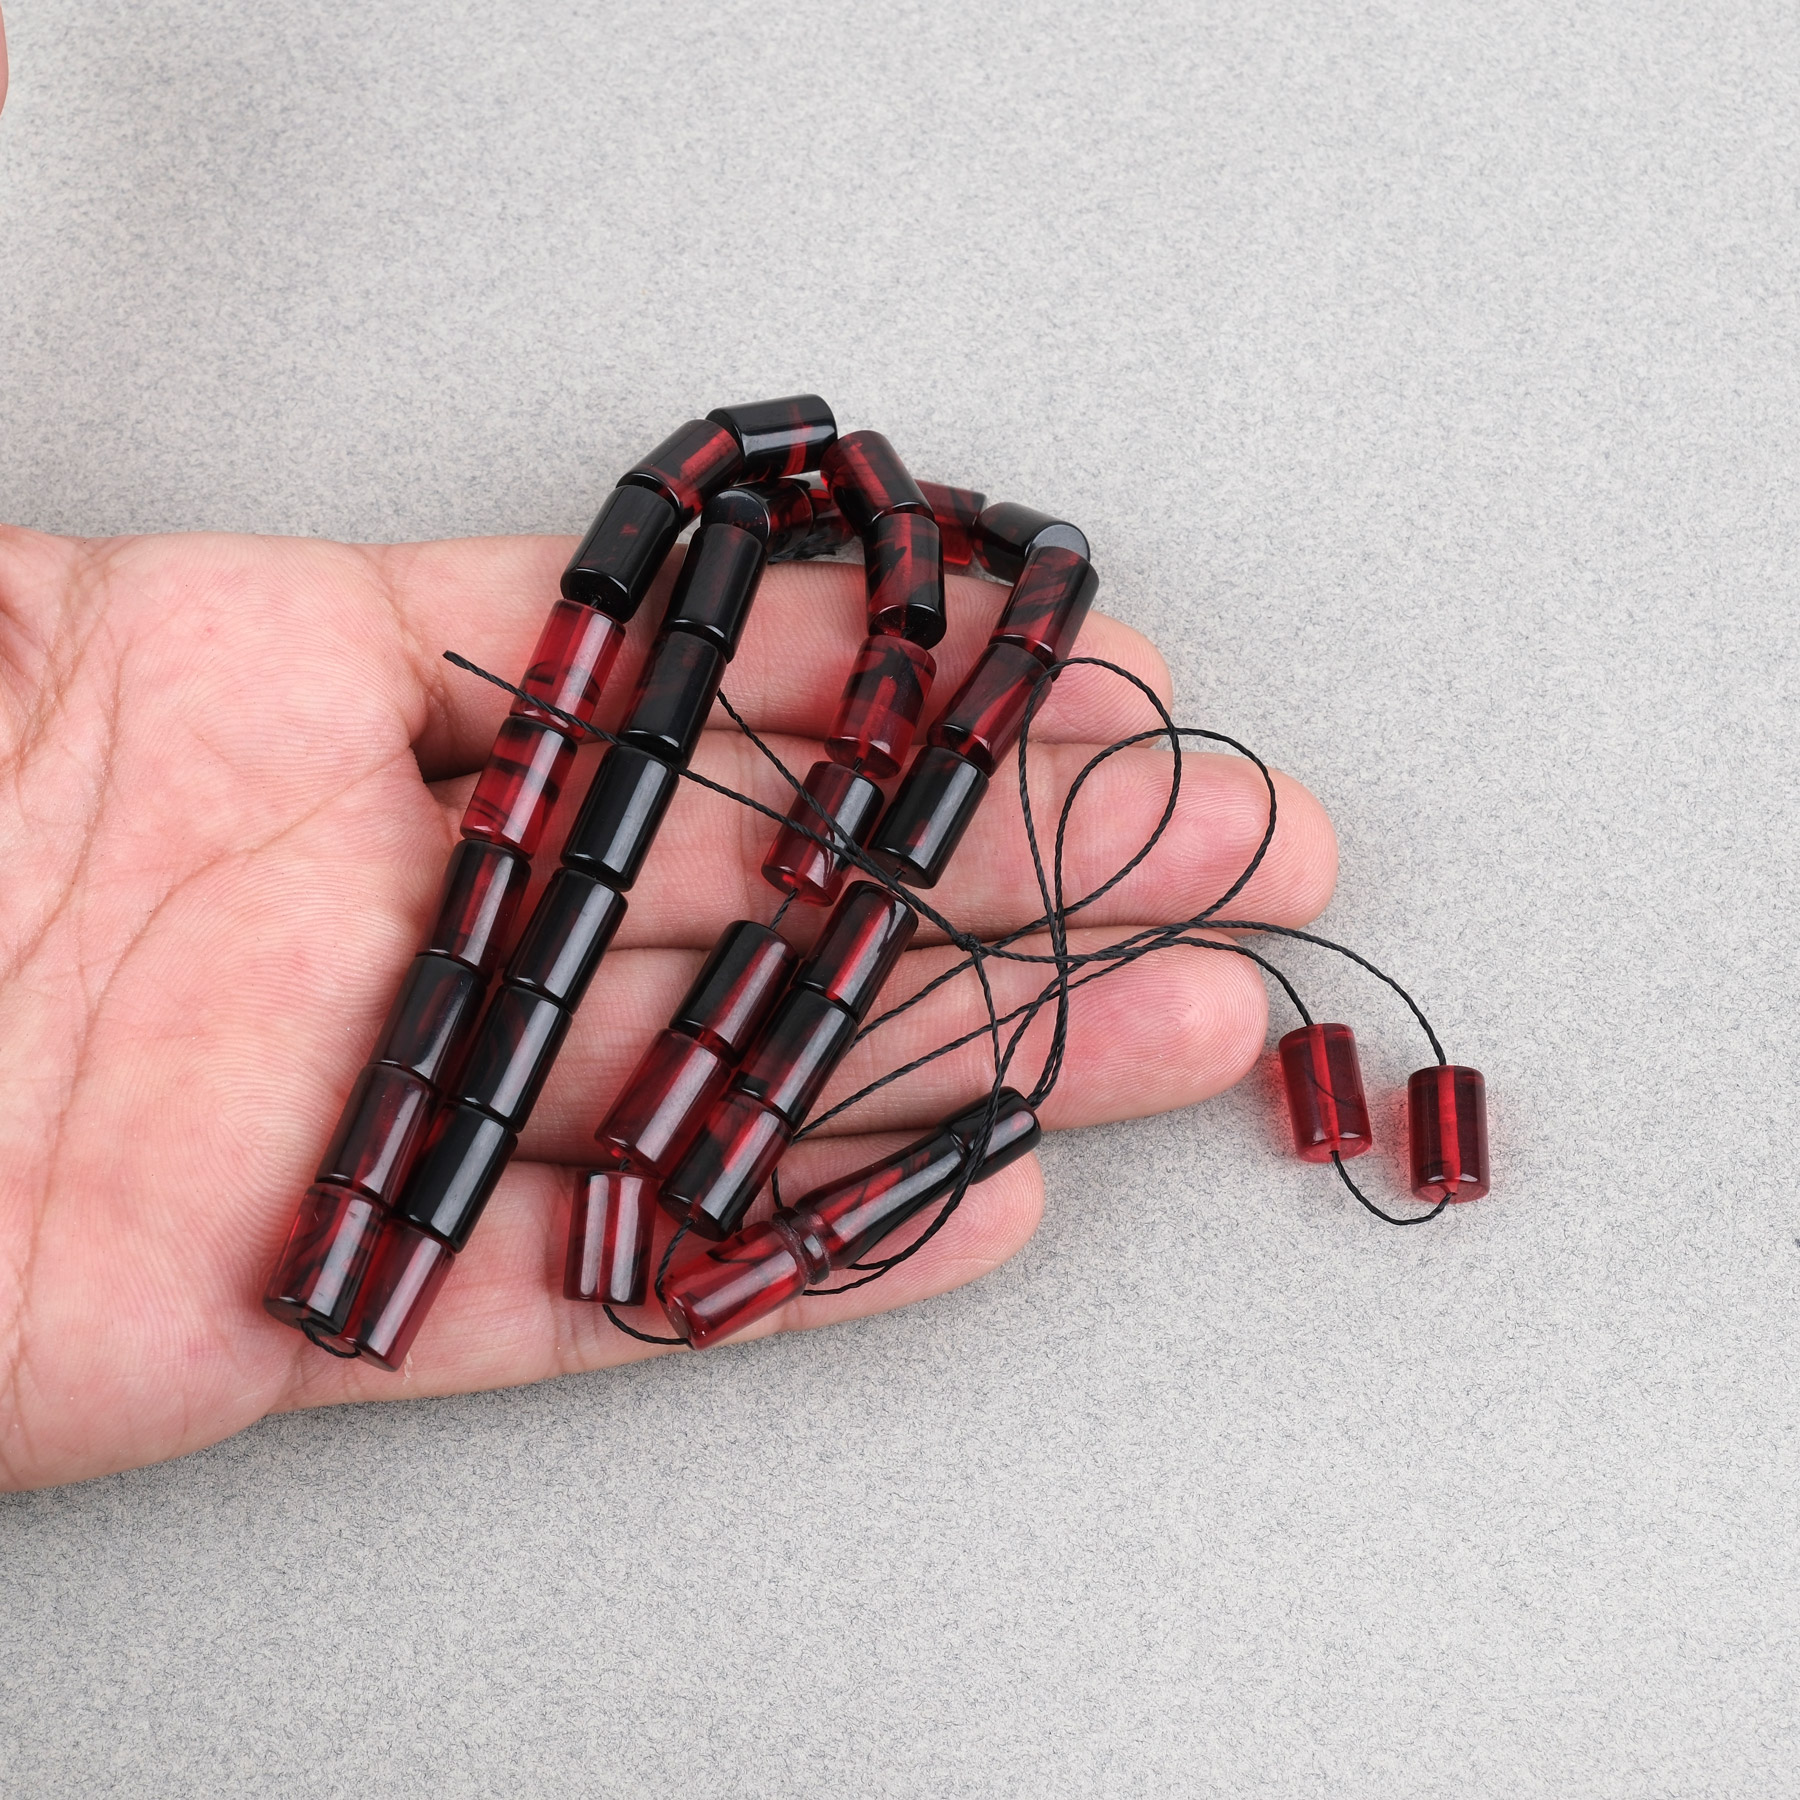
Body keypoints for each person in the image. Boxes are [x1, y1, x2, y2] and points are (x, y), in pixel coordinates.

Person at [0, 41, 1337, 1491]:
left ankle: (371, 1283)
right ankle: (356, 1287)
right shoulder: (741, 551)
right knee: (542, 940)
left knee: (575, 954)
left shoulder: (785, 609)